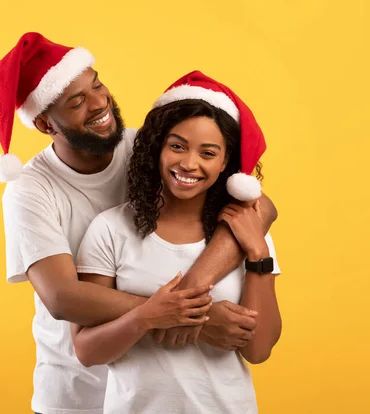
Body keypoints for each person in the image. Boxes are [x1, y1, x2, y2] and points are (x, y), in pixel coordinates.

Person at [0, 33, 278, 414]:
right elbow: (62, 298)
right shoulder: (31, 191)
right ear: (45, 124)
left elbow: (260, 208)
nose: (98, 103)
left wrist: (188, 298)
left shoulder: (152, 149)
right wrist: (192, 316)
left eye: (96, 85)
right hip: (76, 387)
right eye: (77, 102)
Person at [71, 71, 282, 413]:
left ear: (226, 162)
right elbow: (86, 351)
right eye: (177, 146)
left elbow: (258, 351)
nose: (189, 163)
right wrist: (148, 316)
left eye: (208, 153)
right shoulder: (111, 228)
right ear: (158, 147)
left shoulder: (247, 233)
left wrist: (258, 252)